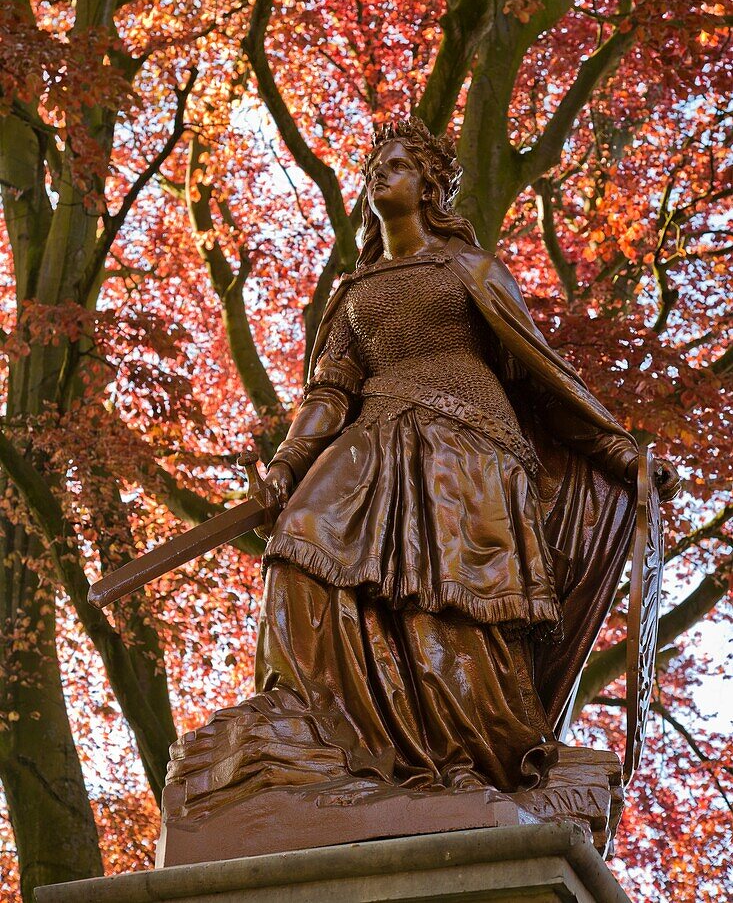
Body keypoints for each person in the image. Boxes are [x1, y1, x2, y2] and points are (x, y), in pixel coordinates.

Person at [166, 117, 678, 823]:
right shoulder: (353, 291)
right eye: (376, 165)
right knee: (297, 549)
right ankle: (318, 728)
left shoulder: (469, 271)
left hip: (469, 448)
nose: (381, 174)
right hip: (371, 440)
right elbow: (329, 391)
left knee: (452, 602)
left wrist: (620, 453)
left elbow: (539, 379)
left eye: (399, 164)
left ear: (431, 188)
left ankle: (461, 762)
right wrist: (286, 465)